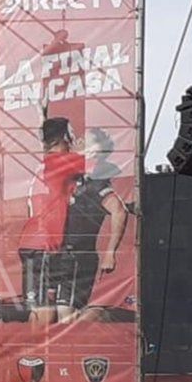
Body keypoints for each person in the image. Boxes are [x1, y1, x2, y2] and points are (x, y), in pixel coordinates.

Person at [58, 127, 133, 324]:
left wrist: (110, 252)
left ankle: (106, 315)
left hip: (79, 256)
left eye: (85, 141)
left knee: (67, 320)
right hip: (60, 255)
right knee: (52, 316)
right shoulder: (73, 177)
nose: (79, 142)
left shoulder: (97, 183)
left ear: (94, 152)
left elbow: (119, 211)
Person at [17, 117, 86, 326]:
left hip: (30, 242)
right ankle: (46, 352)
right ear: (64, 137)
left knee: (38, 306)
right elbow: (99, 165)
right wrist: (84, 150)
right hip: (46, 244)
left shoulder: (42, 165)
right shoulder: (61, 161)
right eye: (72, 136)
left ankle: (32, 355)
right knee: (47, 310)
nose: (74, 140)